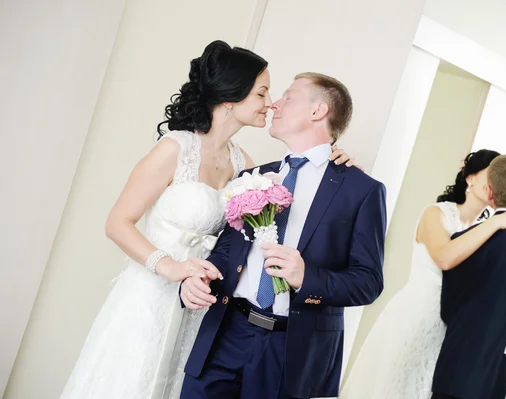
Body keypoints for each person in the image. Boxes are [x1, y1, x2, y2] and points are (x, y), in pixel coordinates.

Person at [61, 40, 354, 399]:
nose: (271, 102)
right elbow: (117, 222)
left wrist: (331, 157)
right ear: (231, 98)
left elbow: (244, 236)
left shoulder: (245, 165)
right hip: (151, 295)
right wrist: (168, 267)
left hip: (203, 303)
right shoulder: (175, 148)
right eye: (262, 93)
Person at [178, 72, 387, 399]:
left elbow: (368, 282)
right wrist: (196, 279)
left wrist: (307, 277)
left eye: (288, 97)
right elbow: (226, 253)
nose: (274, 104)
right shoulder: (252, 177)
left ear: (317, 111)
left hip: (292, 352)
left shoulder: (360, 191)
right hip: (226, 336)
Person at [340, 150, 506, 399]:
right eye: (490, 174)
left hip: (454, 324)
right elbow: (444, 257)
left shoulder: (490, 227)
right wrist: (497, 222)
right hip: (419, 313)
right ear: (470, 178)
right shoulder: (436, 213)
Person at [432, 154, 506, 399]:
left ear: (489, 192)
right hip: (500, 374)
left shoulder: (460, 241)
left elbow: (447, 311)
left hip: (453, 370)